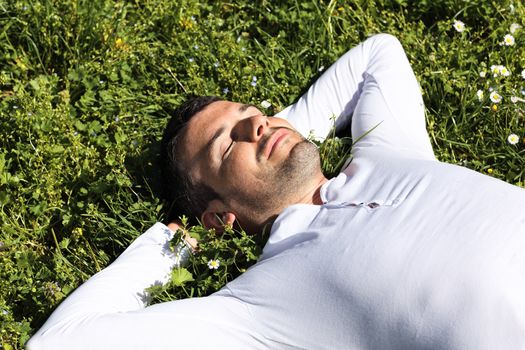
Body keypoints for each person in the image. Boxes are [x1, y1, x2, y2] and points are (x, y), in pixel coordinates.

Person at [27, 34, 525, 350]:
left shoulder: (391, 151)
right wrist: (171, 248)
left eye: (252, 113)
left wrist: (282, 135)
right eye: (228, 145)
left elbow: (380, 53)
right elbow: (61, 343)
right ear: (221, 217)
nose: (257, 125)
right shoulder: (259, 306)